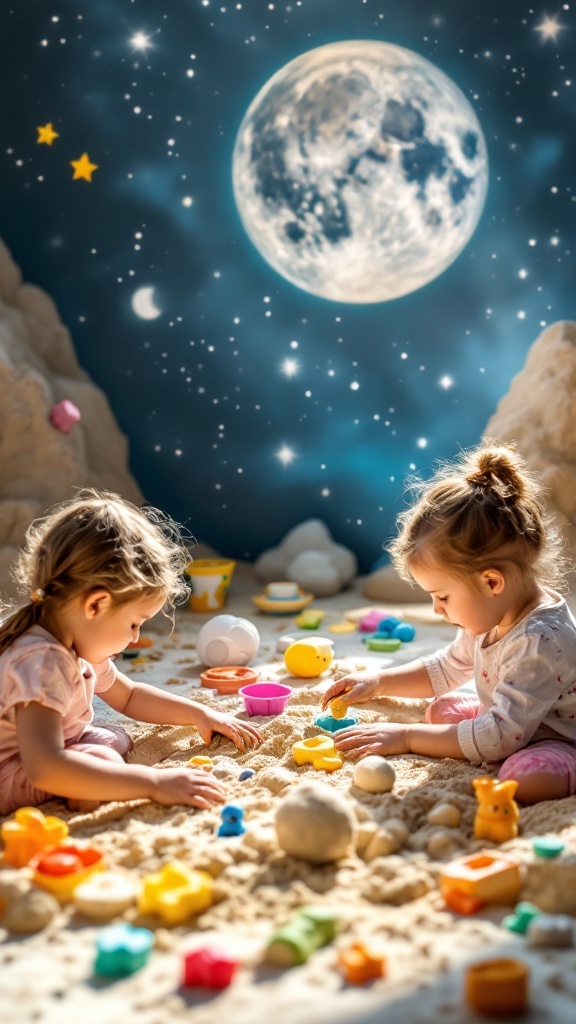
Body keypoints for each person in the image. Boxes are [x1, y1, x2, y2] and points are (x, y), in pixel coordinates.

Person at [322, 441, 576, 805]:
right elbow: (445, 667)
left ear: (491, 582)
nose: (438, 610)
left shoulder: (539, 642)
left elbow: (499, 737)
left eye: (443, 596)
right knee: (441, 710)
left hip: (559, 738)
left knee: (524, 779)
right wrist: (378, 682)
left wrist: (406, 736)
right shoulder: (497, 611)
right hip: (514, 721)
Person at [0, 490, 262, 816]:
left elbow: (130, 696)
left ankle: (89, 779)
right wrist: (153, 783)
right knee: (107, 757)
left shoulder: (75, 641)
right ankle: (82, 789)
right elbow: (44, 767)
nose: (136, 637)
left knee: (113, 738)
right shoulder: (41, 663)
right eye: (134, 623)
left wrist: (198, 714)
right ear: (95, 605)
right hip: (10, 771)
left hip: (40, 749)